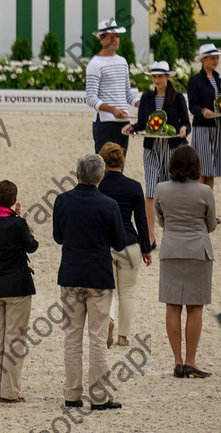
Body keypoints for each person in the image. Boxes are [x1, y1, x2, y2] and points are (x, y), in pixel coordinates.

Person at [53, 153, 127, 410]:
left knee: (72, 337)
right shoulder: (109, 204)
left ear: (77, 174)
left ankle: (72, 393)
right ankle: (99, 396)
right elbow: (119, 242)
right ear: (101, 176)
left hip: (71, 275)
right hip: (98, 276)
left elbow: (58, 237)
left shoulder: (62, 201)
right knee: (97, 338)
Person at [155, 145, 215, 379]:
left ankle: (177, 361)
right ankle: (191, 360)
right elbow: (210, 225)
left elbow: (162, 221)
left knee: (172, 305)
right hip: (197, 252)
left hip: (171, 249)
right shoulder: (204, 191)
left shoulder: (161, 189)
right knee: (195, 306)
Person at [0, 180, 37, 403]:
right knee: (14, 339)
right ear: (14, 201)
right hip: (17, 285)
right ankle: (10, 391)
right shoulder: (17, 224)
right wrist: (20, 218)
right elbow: (32, 245)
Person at [122, 61, 190, 243]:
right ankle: (150, 236)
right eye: (154, 76)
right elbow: (142, 123)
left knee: (169, 190)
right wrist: (131, 128)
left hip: (171, 148)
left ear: (167, 77)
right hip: (151, 148)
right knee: (150, 191)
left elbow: (186, 123)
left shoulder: (178, 98)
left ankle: (170, 232)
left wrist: (183, 129)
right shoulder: (146, 98)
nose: (157, 80)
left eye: (160, 76)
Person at [97, 142, 153, 349]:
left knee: (108, 290)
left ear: (103, 163)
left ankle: (109, 319)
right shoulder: (134, 186)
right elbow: (141, 221)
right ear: (122, 161)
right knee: (128, 291)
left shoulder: (99, 186)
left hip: (105, 245)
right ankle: (124, 336)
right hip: (129, 244)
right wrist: (147, 248)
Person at [85, 18, 140, 154]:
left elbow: (127, 93)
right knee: (104, 169)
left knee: (119, 167)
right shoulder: (95, 64)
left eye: (117, 36)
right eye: (112, 36)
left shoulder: (122, 62)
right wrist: (112, 110)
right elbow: (91, 98)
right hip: (105, 123)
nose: (116, 39)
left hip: (123, 122)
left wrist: (140, 103)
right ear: (102, 39)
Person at [187, 43, 221, 189]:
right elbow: (192, 106)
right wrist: (202, 111)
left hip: (217, 128)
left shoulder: (218, 80)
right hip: (201, 128)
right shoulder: (195, 81)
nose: (216, 61)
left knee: (211, 171)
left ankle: (208, 206)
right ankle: (197, 205)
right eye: (212, 58)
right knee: (200, 171)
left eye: (217, 58)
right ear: (203, 60)